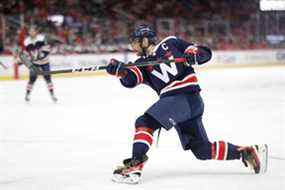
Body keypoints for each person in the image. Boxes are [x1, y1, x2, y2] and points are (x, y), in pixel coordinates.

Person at [106, 25, 268, 184]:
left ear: (146, 40)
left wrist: (194, 53)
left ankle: (135, 164)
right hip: (184, 105)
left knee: (144, 122)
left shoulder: (170, 42)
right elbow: (130, 80)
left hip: (182, 98)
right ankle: (245, 153)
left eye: (135, 41)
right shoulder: (141, 63)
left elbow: (204, 52)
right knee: (202, 150)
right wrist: (121, 71)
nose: (133, 46)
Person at [23, 25, 57, 102]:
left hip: (45, 62)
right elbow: (27, 52)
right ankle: (27, 94)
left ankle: (52, 95)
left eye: (33, 31)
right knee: (32, 79)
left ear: (36, 32)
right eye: (30, 31)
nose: (31, 32)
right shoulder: (26, 41)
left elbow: (47, 49)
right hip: (35, 63)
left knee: (48, 79)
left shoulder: (42, 38)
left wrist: (40, 55)